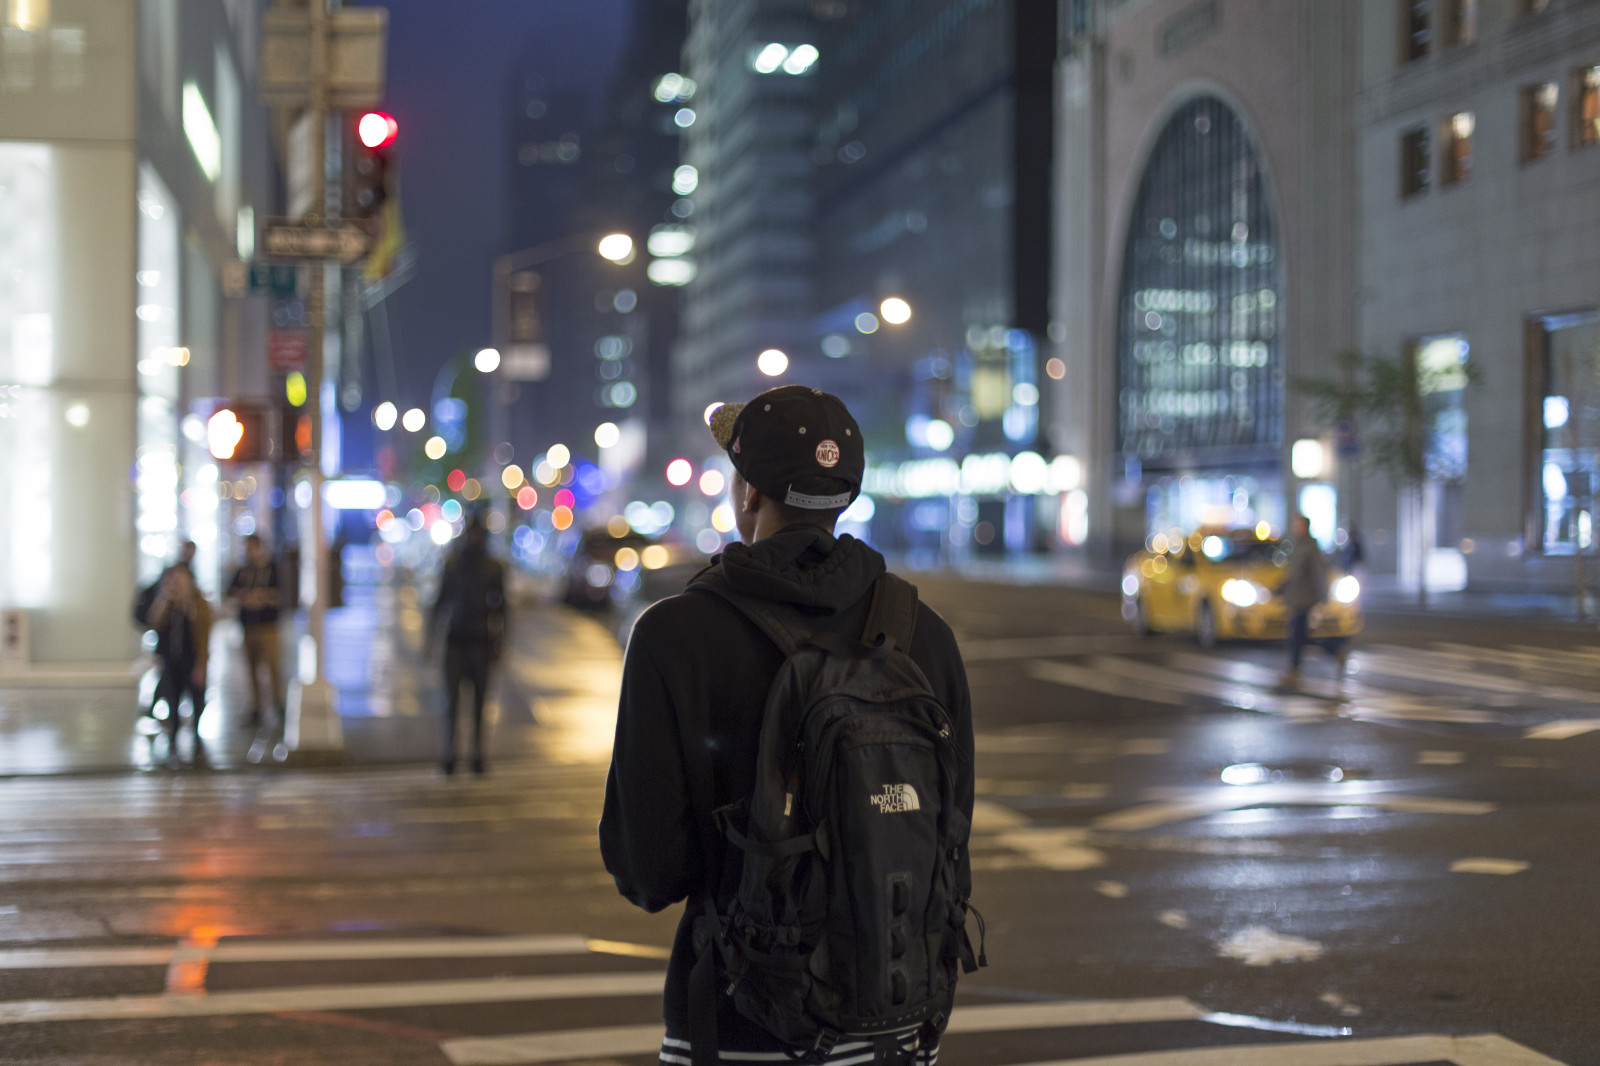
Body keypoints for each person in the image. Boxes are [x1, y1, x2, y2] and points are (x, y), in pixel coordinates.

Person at [599, 385, 976, 1065]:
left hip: (738, 1020)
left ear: (748, 493)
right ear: (845, 495)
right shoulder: (924, 635)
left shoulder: (673, 635)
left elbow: (646, 870)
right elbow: (951, 831)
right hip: (897, 1016)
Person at [427, 514, 506, 775]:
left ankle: (477, 755)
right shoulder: (454, 565)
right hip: (456, 643)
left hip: (480, 644)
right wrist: (430, 640)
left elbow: (502, 609)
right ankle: (451, 754)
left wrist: (500, 642)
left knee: (479, 706)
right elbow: (440, 602)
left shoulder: (492, 567)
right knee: (452, 704)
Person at [148, 560, 214, 743]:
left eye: (180, 577)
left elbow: (205, 636)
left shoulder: (199, 604)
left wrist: (201, 665)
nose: (176, 581)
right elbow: (154, 622)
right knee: (172, 698)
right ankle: (173, 739)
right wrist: (166, 598)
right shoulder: (167, 602)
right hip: (171, 660)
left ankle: (196, 739)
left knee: (197, 700)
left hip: (192, 659)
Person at [1279, 514, 1347, 688]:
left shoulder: (1311, 546)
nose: (1295, 528)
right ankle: (1335, 651)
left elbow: (1319, 572)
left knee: (1297, 635)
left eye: (1298, 525)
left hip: (1305, 598)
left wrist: (1323, 597)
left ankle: (1295, 670)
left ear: (1305, 527)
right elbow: (1293, 574)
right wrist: (1279, 589)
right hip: (1295, 597)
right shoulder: (1296, 546)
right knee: (1303, 636)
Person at [227, 534, 283, 727]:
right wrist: (246, 597)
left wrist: (261, 597)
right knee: (251, 666)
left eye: (252, 548)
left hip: (268, 625)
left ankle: (277, 703)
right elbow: (230, 591)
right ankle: (256, 706)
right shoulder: (243, 570)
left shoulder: (272, 568)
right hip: (248, 625)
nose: (249, 552)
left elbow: (280, 594)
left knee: (272, 665)